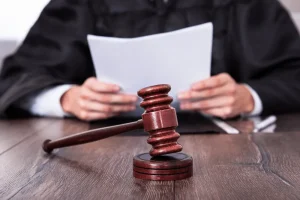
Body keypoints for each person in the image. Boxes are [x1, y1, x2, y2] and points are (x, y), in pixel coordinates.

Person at [0, 0, 300, 121]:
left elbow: (294, 72)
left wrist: (248, 97)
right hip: (102, 153)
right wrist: (67, 99)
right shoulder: (84, 2)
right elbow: (18, 76)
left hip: (233, 154)